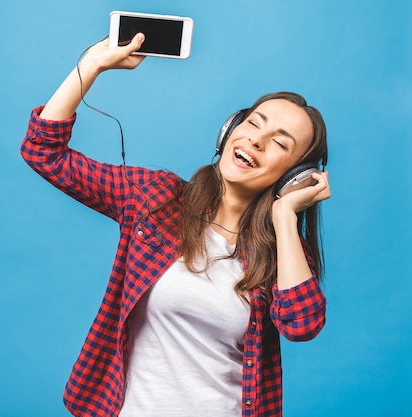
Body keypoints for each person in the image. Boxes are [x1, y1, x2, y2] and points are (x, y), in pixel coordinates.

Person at [20, 33, 330, 417]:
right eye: (253, 123)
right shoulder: (156, 198)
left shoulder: (281, 254)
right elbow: (43, 152)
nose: (256, 140)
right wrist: (92, 66)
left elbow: (302, 324)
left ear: (293, 175)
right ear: (230, 128)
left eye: (280, 144)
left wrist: (284, 217)